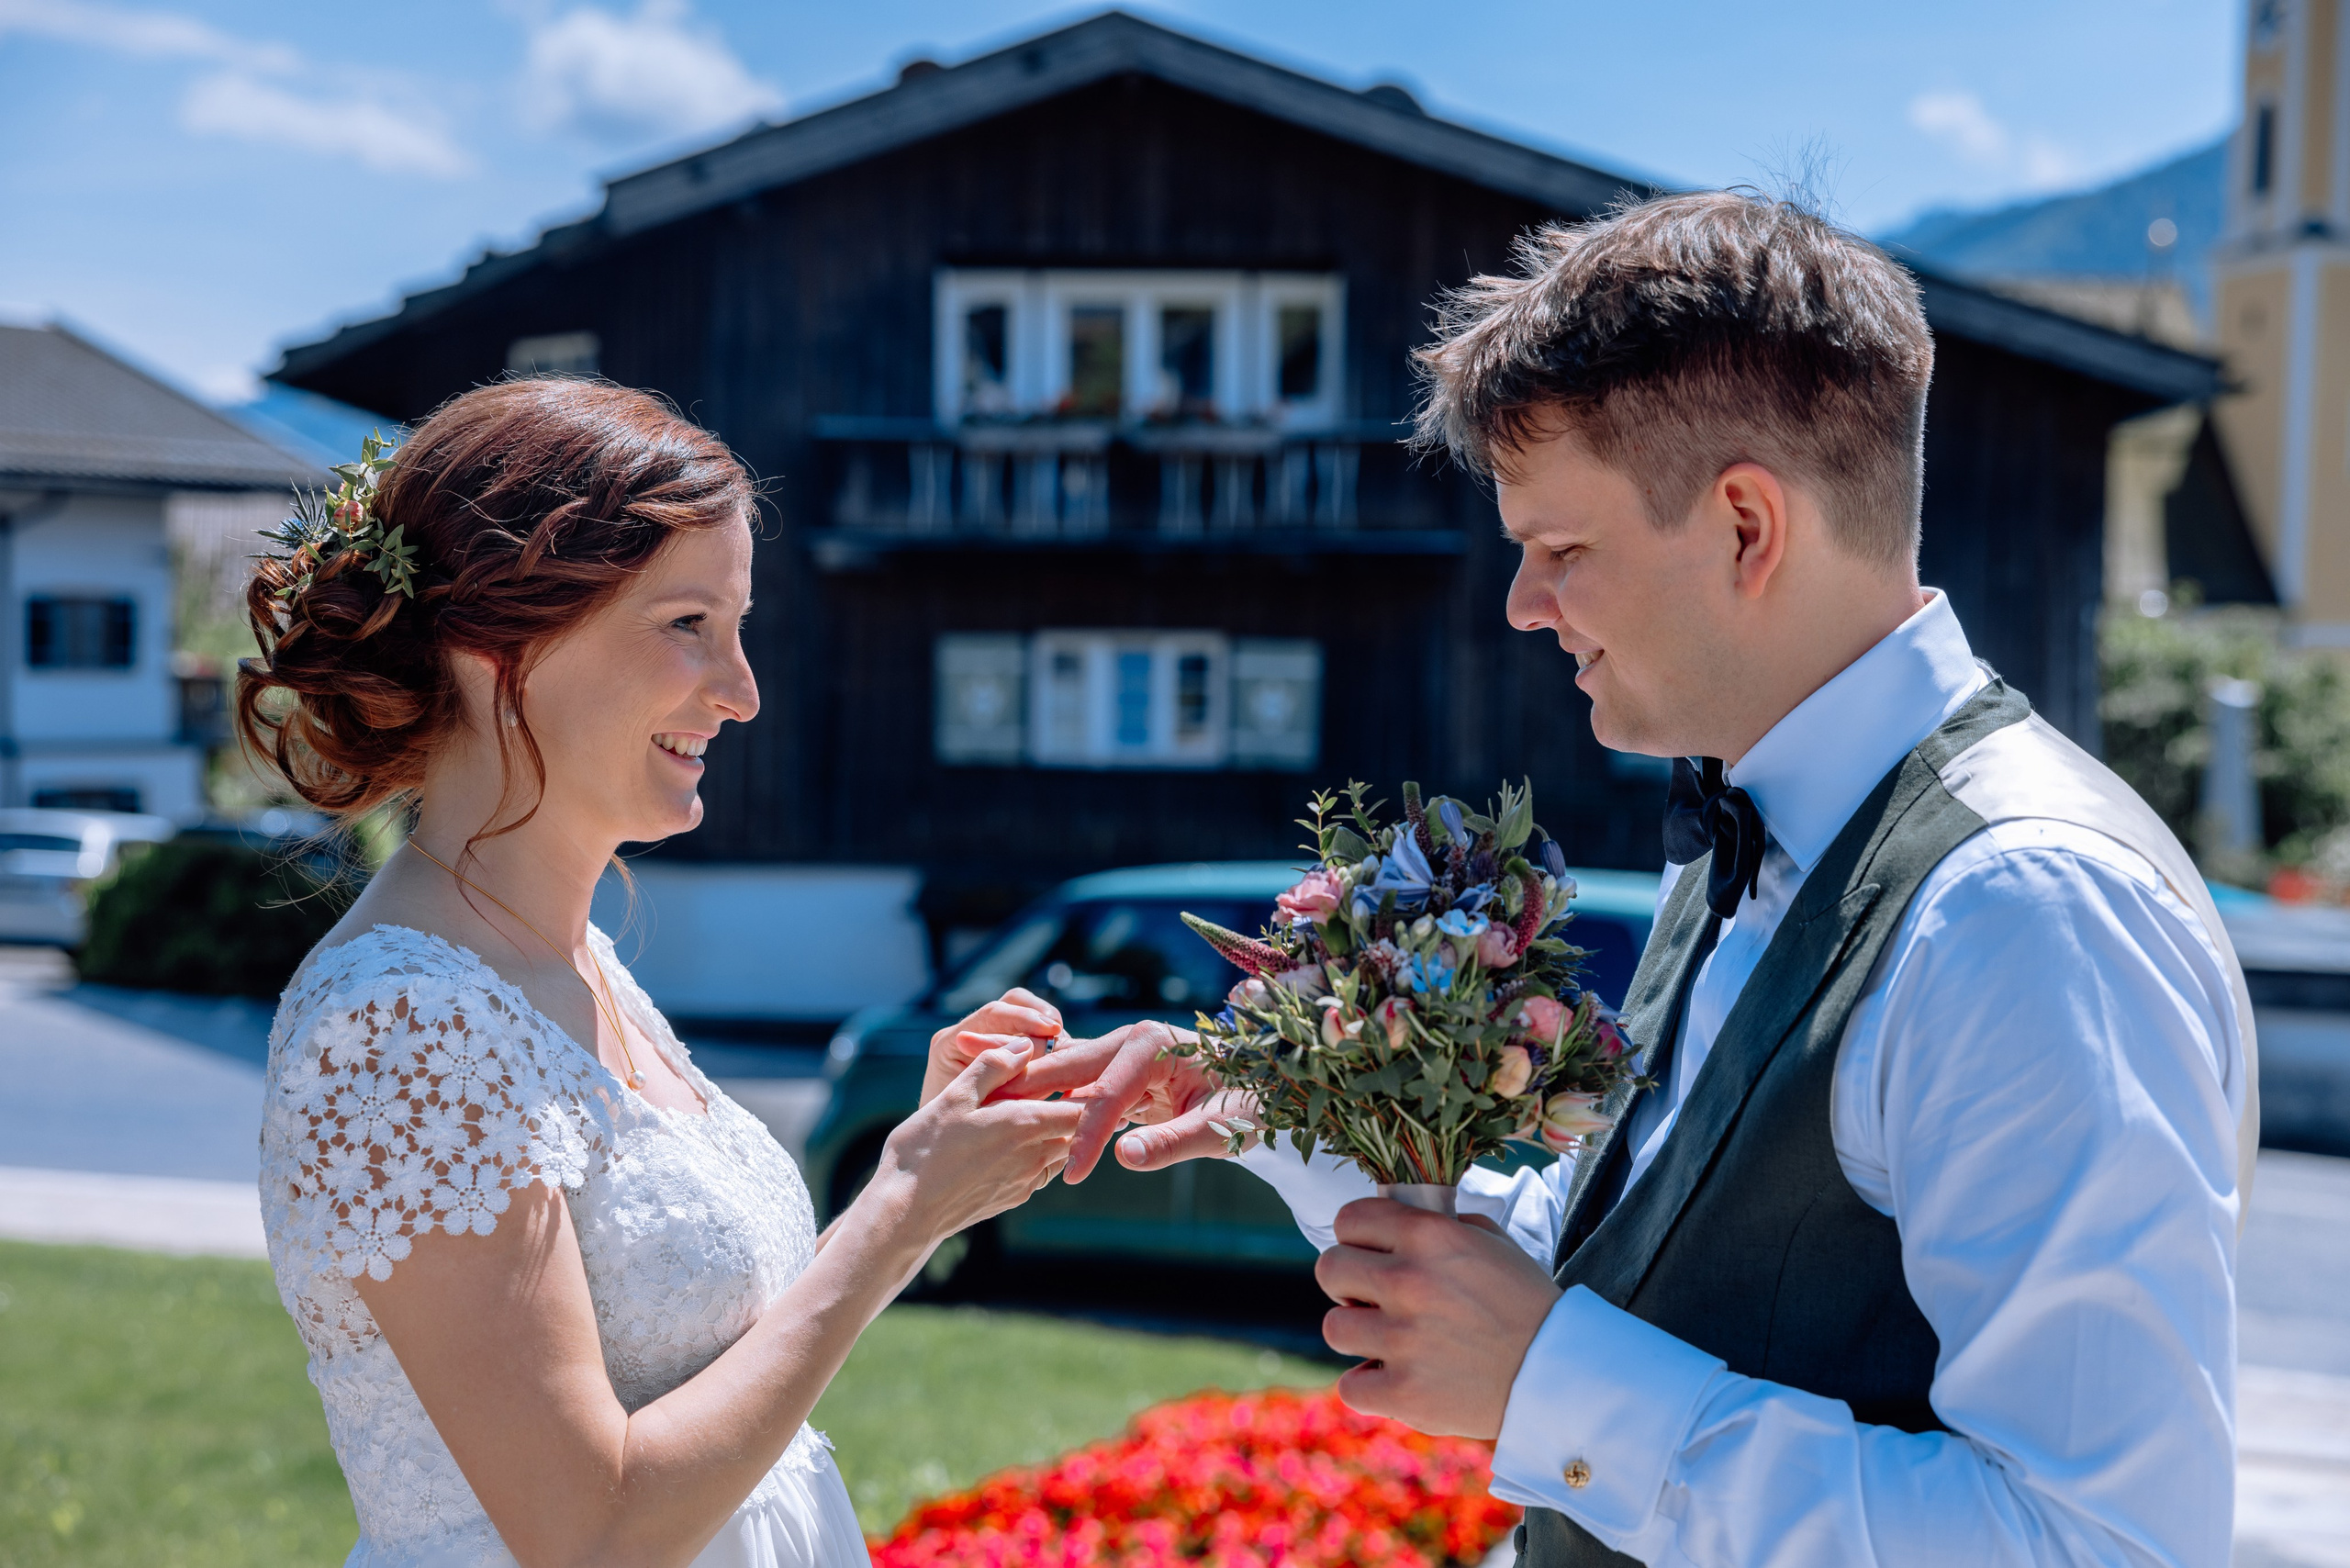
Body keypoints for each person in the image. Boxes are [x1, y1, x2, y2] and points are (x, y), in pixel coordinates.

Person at [1031, 191, 2257, 1568]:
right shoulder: (1757, 830)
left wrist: (1554, 1391)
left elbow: (2102, 1545)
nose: (1522, 606)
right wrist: (1286, 1119)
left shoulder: (2025, 910)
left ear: (1745, 526)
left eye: (1563, 551)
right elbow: (1632, 1260)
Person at [243, 378, 1080, 1568]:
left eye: (739, 628)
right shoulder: (398, 1031)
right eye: (688, 623)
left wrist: (932, 1149)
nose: (741, 692)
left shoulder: (577, 966)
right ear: (496, 643)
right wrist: (902, 1212)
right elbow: (588, 1532)